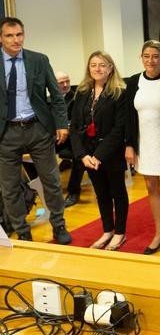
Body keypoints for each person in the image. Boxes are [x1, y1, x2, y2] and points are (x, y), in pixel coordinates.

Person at [0, 17, 72, 244]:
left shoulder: (38, 60)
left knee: (51, 181)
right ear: (1, 38)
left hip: (37, 129)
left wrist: (61, 123)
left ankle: (59, 226)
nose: (16, 39)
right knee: (10, 187)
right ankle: (22, 230)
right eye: (10, 35)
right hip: (6, 133)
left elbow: (57, 95)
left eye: (19, 34)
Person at [125, 40, 160, 256]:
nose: (151, 60)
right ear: (141, 58)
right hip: (144, 142)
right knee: (150, 186)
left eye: (155, 56)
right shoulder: (133, 82)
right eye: (146, 56)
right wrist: (129, 145)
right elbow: (129, 116)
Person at [70, 51, 128, 250]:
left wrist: (99, 155)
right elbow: (75, 126)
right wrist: (83, 155)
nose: (97, 69)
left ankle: (119, 233)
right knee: (101, 194)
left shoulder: (119, 92)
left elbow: (119, 129)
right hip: (88, 154)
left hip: (110, 152)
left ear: (110, 68)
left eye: (102, 65)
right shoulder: (83, 92)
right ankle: (107, 230)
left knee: (117, 192)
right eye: (93, 65)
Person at [55, 70, 86, 207]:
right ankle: (36, 187)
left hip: (73, 137)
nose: (66, 84)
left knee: (80, 155)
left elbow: (79, 121)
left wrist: (66, 128)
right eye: (61, 82)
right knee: (30, 153)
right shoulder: (49, 100)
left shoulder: (76, 98)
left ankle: (74, 191)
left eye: (67, 81)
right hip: (55, 138)